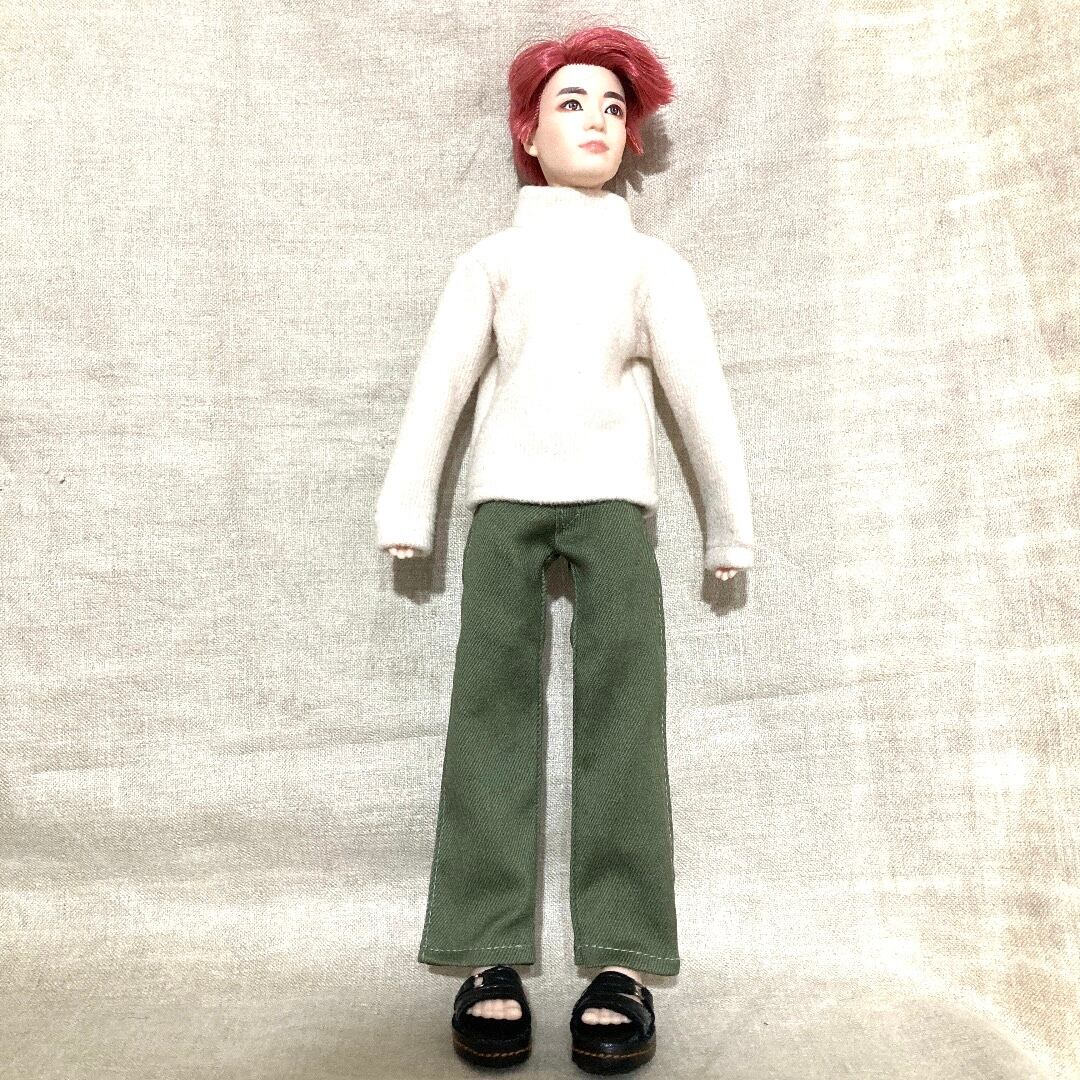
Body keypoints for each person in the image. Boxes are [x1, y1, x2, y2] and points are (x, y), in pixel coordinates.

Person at [375, 24, 754, 1073]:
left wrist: (730, 524)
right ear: (527, 131)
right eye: (571, 103)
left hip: (614, 506)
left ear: (631, 139)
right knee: (489, 709)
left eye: (614, 109)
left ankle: (622, 957)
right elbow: (441, 388)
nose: (596, 122)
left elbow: (702, 399)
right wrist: (408, 508)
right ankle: (486, 949)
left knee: (625, 715)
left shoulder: (650, 265)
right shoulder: (492, 262)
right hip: (506, 503)